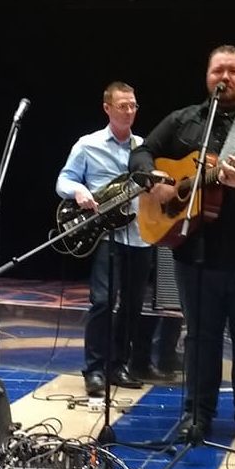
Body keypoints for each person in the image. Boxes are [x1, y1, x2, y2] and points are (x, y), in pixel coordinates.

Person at [130, 45, 235, 447]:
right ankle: (196, 414)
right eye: (217, 70)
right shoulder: (184, 120)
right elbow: (141, 152)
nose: (225, 76)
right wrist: (155, 179)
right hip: (195, 253)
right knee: (200, 337)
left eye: (233, 70)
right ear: (207, 77)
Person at [56, 81, 155, 396]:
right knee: (102, 301)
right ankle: (95, 369)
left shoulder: (145, 147)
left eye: (133, 106)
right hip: (106, 235)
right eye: (123, 106)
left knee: (132, 305)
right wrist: (78, 191)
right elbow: (63, 180)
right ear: (107, 108)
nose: (129, 112)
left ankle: (119, 365)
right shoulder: (88, 144)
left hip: (140, 235)